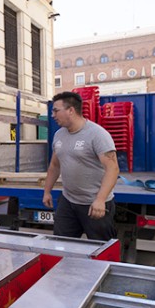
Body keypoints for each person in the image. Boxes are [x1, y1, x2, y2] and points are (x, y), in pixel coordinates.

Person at [42, 91, 119, 241]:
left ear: (71, 110)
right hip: (68, 201)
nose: (53, 115)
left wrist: (100, 200)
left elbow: (113, 168)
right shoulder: (59, 135)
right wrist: (47, 191)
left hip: (94, 204)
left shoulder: (97, 135)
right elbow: (54, 165)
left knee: (100, 249)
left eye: (56, 110)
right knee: (60, 245)